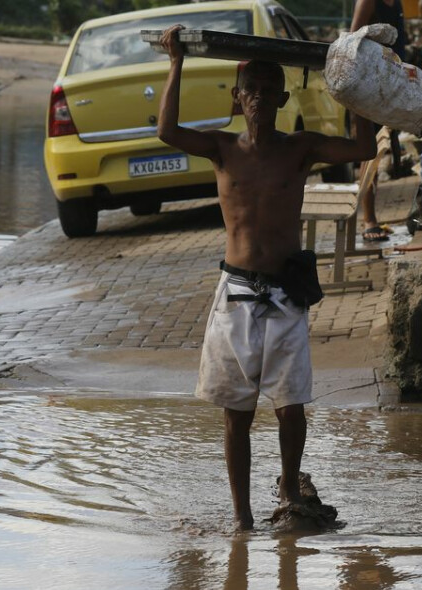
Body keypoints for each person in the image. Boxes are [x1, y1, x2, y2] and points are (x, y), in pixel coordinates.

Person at [157, 25, 376, 532]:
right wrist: (176, 62)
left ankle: (290, 492)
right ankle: (242, 518)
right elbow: (167, 132)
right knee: (236, 412)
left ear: (282, 98)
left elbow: (363, 147)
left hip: (284, 296)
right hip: (235, 295)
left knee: (290, 407)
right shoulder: (221, 148)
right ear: (237, 99)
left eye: (268, 89)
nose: (258, 98)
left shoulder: (300, 148)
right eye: (249, 90)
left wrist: (352, 80)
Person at [350, 0, 411, 242]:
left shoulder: (396, 3)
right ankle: (369, 219)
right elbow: (351, 42)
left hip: (393, 82)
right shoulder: (368, 1)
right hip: (369, 85)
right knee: (370, 152)